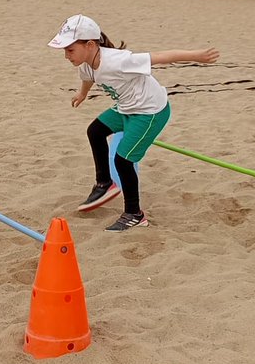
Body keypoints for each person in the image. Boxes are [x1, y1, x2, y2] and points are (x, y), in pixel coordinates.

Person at [48, 14, 219, 232]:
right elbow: (88, 78)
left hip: (150, 112)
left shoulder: (118, 60)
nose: (66, 56)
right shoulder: (86, 63)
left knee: (123, 159)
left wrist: (196, 56)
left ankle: (134, 214)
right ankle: (104, 184)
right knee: (96, 131)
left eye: (70, 50)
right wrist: (82, 94)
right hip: (126, 108)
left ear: (90, 45)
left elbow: (159, 57)